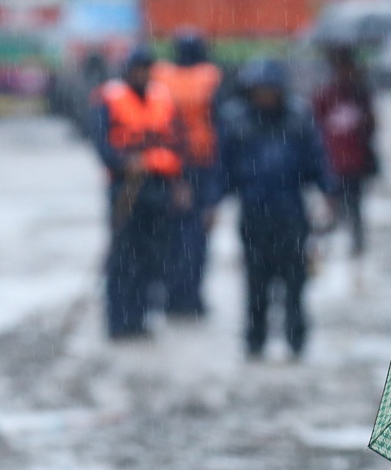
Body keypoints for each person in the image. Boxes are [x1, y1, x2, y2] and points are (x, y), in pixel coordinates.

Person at [220, 59, 330, 359]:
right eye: (260, 90)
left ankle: (296, 339)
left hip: (291, 215)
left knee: (294, 281)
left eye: (270, 90)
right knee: (256, 282)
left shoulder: (298, 118)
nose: (265, 96)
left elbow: (316, 160)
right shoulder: (237, 121)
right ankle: (255, 340)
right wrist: (211, 202)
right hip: (254, 215)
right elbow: (224, 168)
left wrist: (329, 191)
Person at [92, 46, 185, 340]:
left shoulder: (163, 98)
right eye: (138, 69)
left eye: (147, 69)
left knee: (150, 255)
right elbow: (100, 140)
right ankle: (118, 320)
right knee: (122, 254)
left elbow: (177, 141)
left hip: (157, 185)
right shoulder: (110, 98)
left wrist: (179, 180)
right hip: (125, 187)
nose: (143, 75)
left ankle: (140, 317)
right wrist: (122, 162)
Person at [152, 30, 223, 318]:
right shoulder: (211, 79)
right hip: (200, 165)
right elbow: (219, 127)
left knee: (168, 237)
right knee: (196, 238)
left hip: (166, 166)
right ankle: (190, 298)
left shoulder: (160, 77)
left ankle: (169, 296)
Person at [310, 46, 378, 256]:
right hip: (333, 160)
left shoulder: (360, 95)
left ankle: (355, 243)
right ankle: (331, 243)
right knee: (335, 202)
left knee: (354, 203)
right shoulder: (325, 96)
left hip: (356, 160)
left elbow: (371, 126)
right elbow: (315, 127)